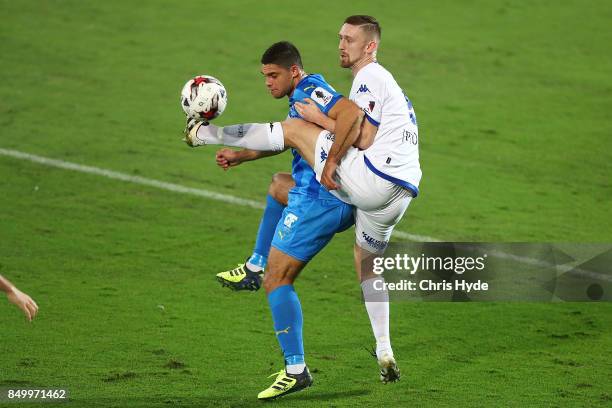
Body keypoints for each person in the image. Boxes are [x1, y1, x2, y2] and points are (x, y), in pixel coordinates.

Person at [185, 15, 420, 386]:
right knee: (363, 260)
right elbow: (311, 136)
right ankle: (384, 348)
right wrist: (242, 155)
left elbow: (360, 134)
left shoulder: (369, 76)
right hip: (399, 194)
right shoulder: (389, 88)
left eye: (350, 39)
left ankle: (206, 134)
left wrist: (323, 145)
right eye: (339, 37)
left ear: (370, 46)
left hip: (367, 182)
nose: (341, 45)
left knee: (280, 279)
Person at [208, 41, 359, 400]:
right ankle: (254, 265)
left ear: (293, 71)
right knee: (279, 185)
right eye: (264, 77)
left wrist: (332, 157)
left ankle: (296, 370)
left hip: (321, 201)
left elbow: (350, 116)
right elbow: (284, 139)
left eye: (273, 75)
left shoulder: (310, 89)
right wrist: (243, 156)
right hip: (314, 194)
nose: (268, 83)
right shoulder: (302, 96)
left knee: (279, 281)